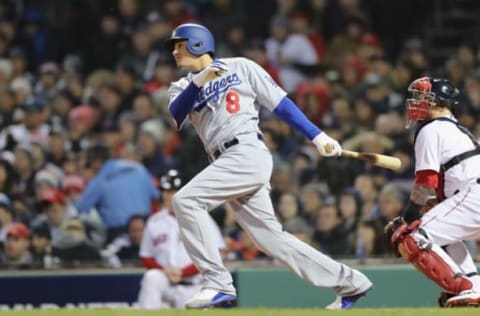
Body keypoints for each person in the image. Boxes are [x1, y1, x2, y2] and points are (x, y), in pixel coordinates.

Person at [166, 23, 372, 309]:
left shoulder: (241, 67)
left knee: (186, 201)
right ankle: (350, 282)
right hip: (225, 160)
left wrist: (318, 136)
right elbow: (177, 116)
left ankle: (217, 283)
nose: (174, 51)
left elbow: (280, 104)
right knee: (270, 239)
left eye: (179, 44)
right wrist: (200, 80)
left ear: (198, 43)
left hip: (246, 151)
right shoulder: (181, 86)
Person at [385, 77, 480, 307]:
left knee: (413, 235)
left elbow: (426, 178)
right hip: (469, 194)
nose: (416, 103)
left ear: (439, 103)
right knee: (440, 235)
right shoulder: (455, 128)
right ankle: (472, 283)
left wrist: (411, 215)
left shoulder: (431, 128)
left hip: (473, 195)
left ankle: (463, 287)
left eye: (423, 98)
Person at [137, 169, 225, 309]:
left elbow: (217, 253)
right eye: (166, 191)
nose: (168, 196)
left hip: (193, 286)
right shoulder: (154, 221)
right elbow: (146, 257)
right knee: (152, 277)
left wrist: (184, 272)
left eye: (173, 191)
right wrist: (164, 270)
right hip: (165, 280)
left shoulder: (201, 218)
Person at [75, 144, 159, 241]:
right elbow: (156, 195)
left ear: (96, 162)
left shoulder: (99, 180)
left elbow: (80, 210)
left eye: (89, 164)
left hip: (119, 233)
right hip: (147, 229)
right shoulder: (139, 169)